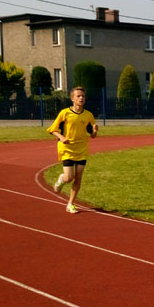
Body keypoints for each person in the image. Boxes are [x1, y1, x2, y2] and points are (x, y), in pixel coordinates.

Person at [48, 86, 99, 214]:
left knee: (78, 178)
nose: (81, 98)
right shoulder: (64, 113)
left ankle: (70, 204)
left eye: (83, 96)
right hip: (67, 149)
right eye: (78, 96)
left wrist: (95, 131)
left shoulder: (88, 115)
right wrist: (62, 137)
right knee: (69, 177)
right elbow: (52, 130)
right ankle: (61, 180)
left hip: (81, 149)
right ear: (72, 99)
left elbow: (92, 136)